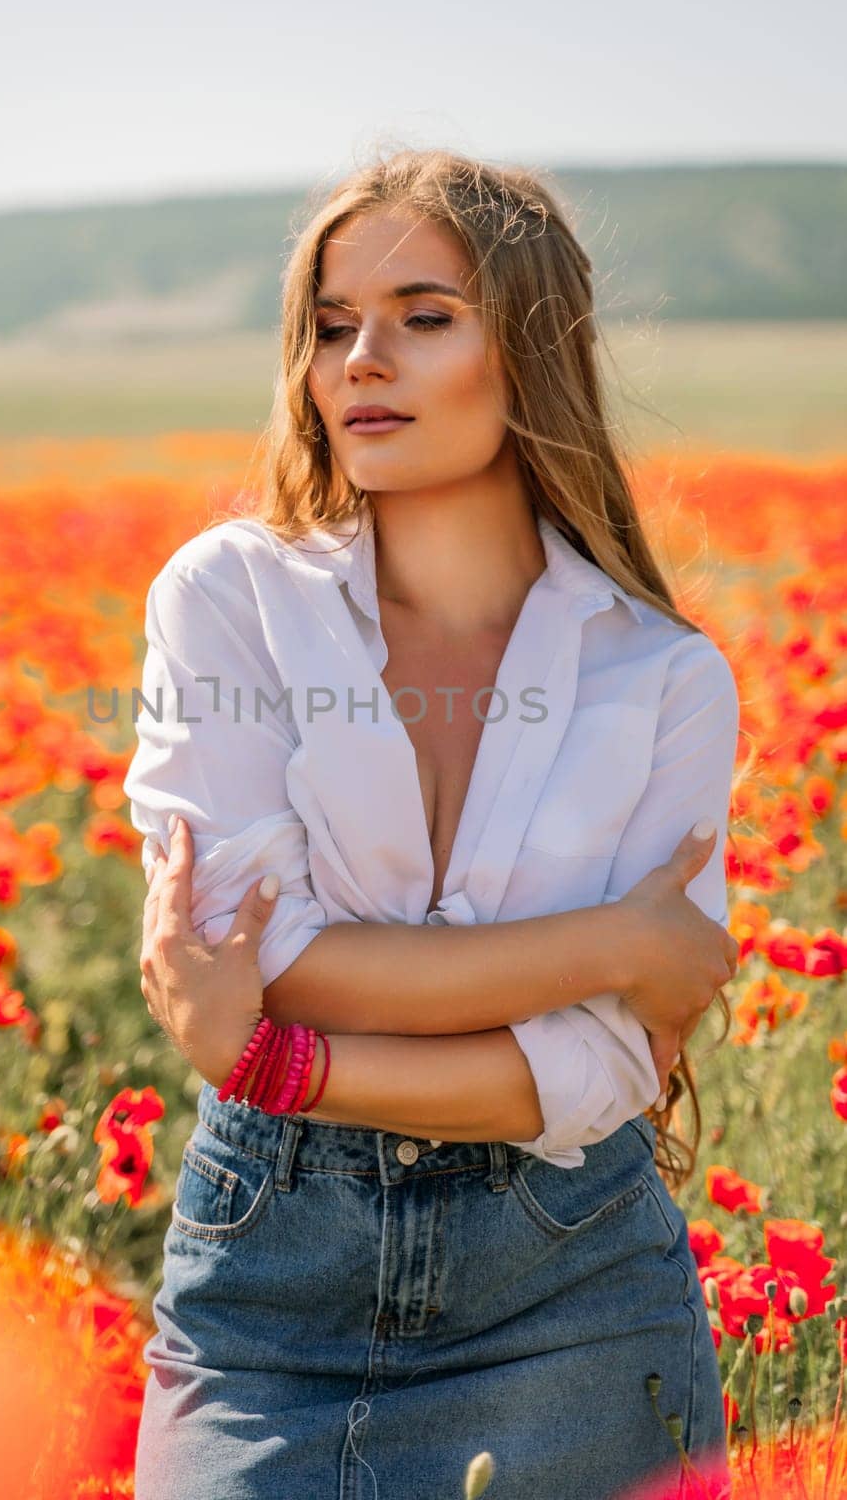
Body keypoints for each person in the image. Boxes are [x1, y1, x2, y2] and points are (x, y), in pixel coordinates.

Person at [124, 149, 740, 1500]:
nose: (360, 360)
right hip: (266, 1292)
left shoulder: (664, 680)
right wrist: (619, 940)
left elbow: (606, 1069)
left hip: (573, 1285)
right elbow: (268, 956)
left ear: (532, 349)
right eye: (333, 325)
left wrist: (280, 1062)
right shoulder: (232, 603)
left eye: (422, 315)